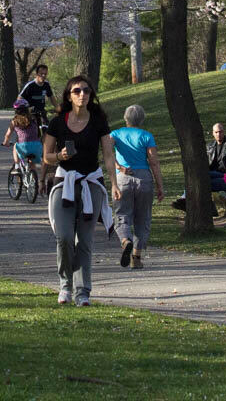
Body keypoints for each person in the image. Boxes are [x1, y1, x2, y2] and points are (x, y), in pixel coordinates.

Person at [43, 74, 116, 306]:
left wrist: (114, 182)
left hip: (90, 183)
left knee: (84, 241)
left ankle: (82, 291)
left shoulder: (98, 121)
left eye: (86, 90)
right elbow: (46, 156)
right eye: (77, 91)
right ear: (68, 95)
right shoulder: (57, 123)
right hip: (63, 182)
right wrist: (60, 156)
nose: (82, 94)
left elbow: (107, 154)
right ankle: (65, 284)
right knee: (63, 237)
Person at [110, 104, 165, 270]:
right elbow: (153, 162)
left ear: (125, 118)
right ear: (142, 119)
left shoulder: (116, 134)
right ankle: (136, 257)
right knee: (143, 218)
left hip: (123, 178)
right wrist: (160, 185)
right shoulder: (147, 136)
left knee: (122, 215)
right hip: (144, 179)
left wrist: (119, 167)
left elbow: (107, 153)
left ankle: (125, 240)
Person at [2, 99, 45, 190]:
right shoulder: (34, 119)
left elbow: (8, 134)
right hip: (37, 146)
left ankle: (17, 165)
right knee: (32, 164)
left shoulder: (14, 121)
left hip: (23, 147)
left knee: (15, 146)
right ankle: (32, 181)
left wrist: (5, 142)